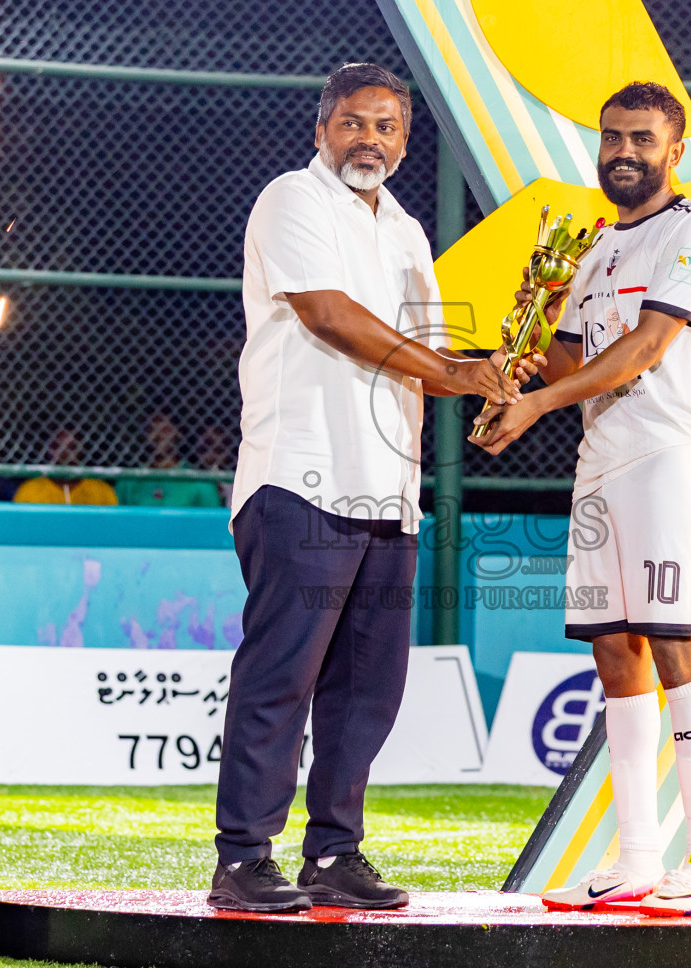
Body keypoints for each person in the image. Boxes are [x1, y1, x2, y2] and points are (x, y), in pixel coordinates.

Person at [211, 62, 535, 914]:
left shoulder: (405, 229)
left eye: (387, 127)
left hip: (388, 493)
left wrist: (489, 393)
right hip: (299, 476)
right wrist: (456, 372)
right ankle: (244, 859)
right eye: (354, 123)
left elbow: (423, 357)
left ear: (403, 140)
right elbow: (330, 315)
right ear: (322, 129)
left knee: (366, 689)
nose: (370, 140)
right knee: (281, 674)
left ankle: (333, 856)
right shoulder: (292, 199)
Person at [471, 81, 691, 917]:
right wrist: (526, 337)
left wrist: (538, 404)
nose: (624, 151)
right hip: (602, 463)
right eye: (613, 137)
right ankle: (637, 859)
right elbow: (576, 359)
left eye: (642, 139)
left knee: (673, 645)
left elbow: (648, 348)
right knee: (615, 654)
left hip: (668, 458)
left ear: (675, 149)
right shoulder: (590, 251)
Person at [115, 413, 223, 507]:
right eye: (152, 429)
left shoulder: (199, 483)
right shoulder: (129, 481)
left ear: (179, 433)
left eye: (165, 430)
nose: (158, 436)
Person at [13, 429, 118, 505]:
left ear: (83, 451)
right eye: (57, 446)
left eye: (72, 447)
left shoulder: (102, 491)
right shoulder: (29, 491)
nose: (64, 453)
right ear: (47, 450)